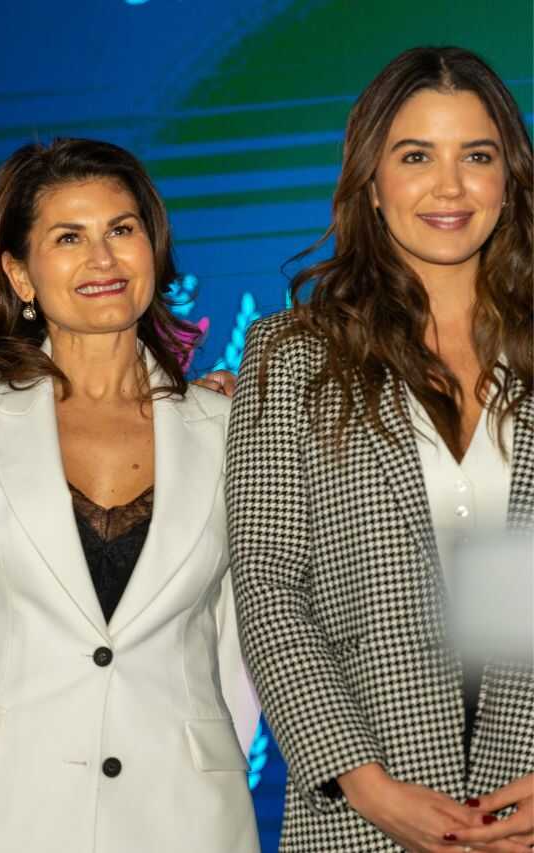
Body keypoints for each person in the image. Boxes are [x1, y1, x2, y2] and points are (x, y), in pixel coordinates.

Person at [0, 138, 261, 853]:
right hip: (3, 819)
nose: (103, 259)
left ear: (154, 251)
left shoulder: (232, 428)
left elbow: (249, 644)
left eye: (122, 229)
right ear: (20, 274)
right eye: (68, 238)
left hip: (187, 818)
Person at [227, 46, 533, 852]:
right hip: (362, 815)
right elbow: (268, 587)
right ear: (371, 181)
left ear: (509, 178)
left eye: (477, 156)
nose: (449, 187)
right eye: (416, 157)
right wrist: (364, 782)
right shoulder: (292, 355)